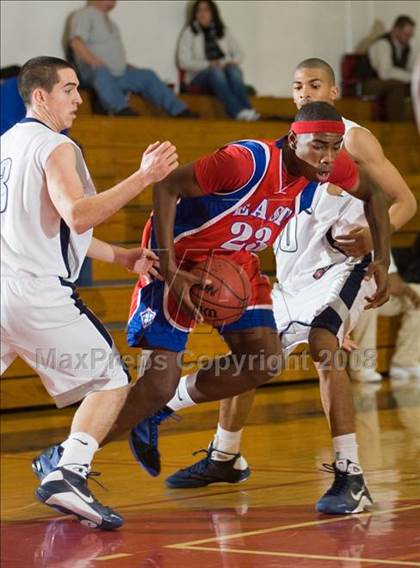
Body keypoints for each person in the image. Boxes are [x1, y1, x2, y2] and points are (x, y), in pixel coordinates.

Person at [32, 101, 392, 512]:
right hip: (180, 259)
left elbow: (375, 193)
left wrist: (380, 258)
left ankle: (158, 415)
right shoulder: (245, 161)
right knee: (156, 385)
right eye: (318, 147)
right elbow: (167, 188)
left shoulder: (328, 165)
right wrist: (166, 263)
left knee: (264, 361)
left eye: (334, 147)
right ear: (294, 139)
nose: (328, 158)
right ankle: (63, 460)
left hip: (234, 263)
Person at [126, 58, 417, 515]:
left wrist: (376, 248)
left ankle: (351, 475)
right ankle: (224, 454)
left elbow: (402, 200)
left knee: (325, 345)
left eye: (315, 84)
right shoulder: (289, 140)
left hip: (342, 263)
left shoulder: (354, 138)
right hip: (295, 266)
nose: (304, 91)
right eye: (297, 85)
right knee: (258, 352)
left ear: (335, 90)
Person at [0, 56, 178, 530]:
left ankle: (66, 473)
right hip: (37, 296)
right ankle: (69, 473)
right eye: (69, 89)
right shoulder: (52, 145)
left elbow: (48, 225)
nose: (79, 98)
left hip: (2, 291)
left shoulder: (5, 145)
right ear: (40, 96)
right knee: (111, 379)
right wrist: (144, 176)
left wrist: (117, 256)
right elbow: (77, 214)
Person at [68, 0, 198, 118]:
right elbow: (76, 41)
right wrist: (92, 60)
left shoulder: (111, 22)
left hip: (117, 76)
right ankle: (121, 110)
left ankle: (180, 111)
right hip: (95, 73)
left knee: (147, 75)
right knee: (102, 72)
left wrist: (126, 66)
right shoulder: (84, 14)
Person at [177, 0, 259, 121]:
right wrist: (209, 64)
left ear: (213, 13)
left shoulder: (223, 31)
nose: (202, 13)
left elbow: (239, 54)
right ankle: (237, 112)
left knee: (234, 70)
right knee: (215, 71)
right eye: (199, 10)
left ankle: (248, 110)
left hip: (222, 69)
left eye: (206, 10)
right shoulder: (189, 33)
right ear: (195, 14)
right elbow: (183, 62)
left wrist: (230, 62)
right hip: (199, 76)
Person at [351, 253, 420, 382]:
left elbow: (392, 276)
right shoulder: (345, 237)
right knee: (366, 296)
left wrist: (404, 288)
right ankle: (363, 366)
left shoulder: (381, 239)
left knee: (418, 293)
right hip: (346, 298)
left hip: (377, 291)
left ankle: (405, 362)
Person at [362, 15, 416, 121]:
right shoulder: (382, 44)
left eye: (410, 35)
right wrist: (411, 77)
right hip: (369, 82)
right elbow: (385, 73)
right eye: (406, 34)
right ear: (396, 30)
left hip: (390, 81)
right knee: (397, 86)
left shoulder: (406, 48)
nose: (409, 38)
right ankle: (397, 126)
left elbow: (407, 70)